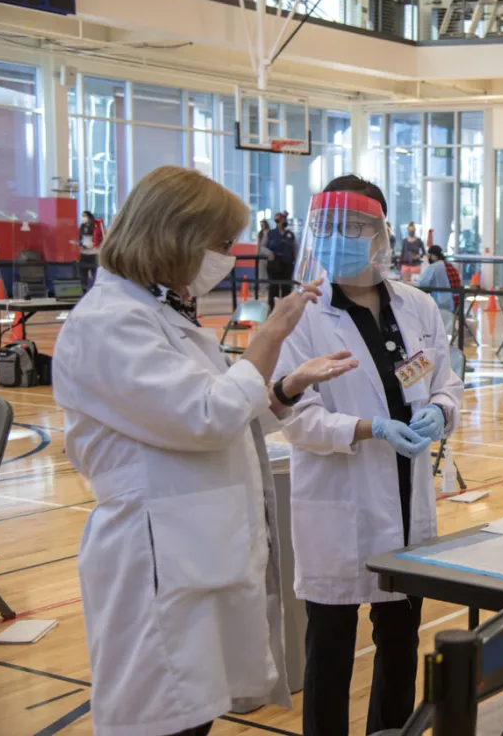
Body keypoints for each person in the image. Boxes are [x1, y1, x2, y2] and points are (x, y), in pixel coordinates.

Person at [53, 165, 358, 736]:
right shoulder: (108, 324)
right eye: (220, 244)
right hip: (154, 556)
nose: (226, 256)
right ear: (175, 237)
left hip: (192, 545)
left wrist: (287, 387)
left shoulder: (161, 316)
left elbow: (224, 408)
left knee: (195, 715)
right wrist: (269, 339)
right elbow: (204, 417)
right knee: (160, 718)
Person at [274, 175, 464, 736]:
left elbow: (445, 384)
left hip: (407, 503)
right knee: (329, 650)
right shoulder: (301, 316)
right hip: (339, 503)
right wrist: (368, 428)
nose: (346, 238)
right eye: (335, 229)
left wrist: (440, 413)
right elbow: (298, 416)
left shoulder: (417, 306)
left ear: (381, 233)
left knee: (402, 641)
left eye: (358, 228)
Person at [264, 211, 298, 308]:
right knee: (273, 287)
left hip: (287, 264)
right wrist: (269, 253)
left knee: (286, 287)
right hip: (274, 264)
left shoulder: (290, 235)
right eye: (283, 219)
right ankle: (272, 307)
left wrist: (296, 261)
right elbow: (262, 247)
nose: (284, 221)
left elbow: (295, 249)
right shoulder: (270, 234)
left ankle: (286, 307)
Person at [419, 243, 462, 312]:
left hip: (442, 306)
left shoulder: (434, 267)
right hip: (457, 305)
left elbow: (423, 284)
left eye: (429, 256)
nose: (429, 258)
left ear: (434, 256)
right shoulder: (451, 265)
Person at [77, 210, 103, 288]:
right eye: (82, 216)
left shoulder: (96, 226)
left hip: (93, 253)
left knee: (94, 274)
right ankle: (84, 290)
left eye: (85, 216)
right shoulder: (82, 226)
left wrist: (93, 245)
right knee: (83, 275)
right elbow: (81, 238)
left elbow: (99, 238)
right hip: (84, 253)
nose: (83, 218)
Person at [256, 218, 271, 298]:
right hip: (261, 255)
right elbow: (258, 244)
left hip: (268, 255)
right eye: (260, 224)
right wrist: (257, 253)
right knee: (262, 274)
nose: (262, 226)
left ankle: (269, 290)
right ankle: (262, 290)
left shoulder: (270, 233)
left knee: (269, 274)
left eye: (263, 224)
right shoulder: (260, 233)